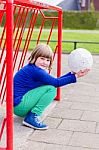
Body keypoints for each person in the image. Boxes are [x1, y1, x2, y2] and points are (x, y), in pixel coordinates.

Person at [14, 43, 89, 130]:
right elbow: (56, 83)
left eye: (48, 60)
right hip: (19, 106)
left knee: (49, 86)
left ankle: (31, 115)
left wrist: (72, 74)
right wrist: (76, 76)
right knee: (51, 89)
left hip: (17, 105)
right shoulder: (36, 71)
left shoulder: (33, 68)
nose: (45, 62)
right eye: (42, 58)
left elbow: (55, 81)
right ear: (34, 57)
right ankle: (32, 117)